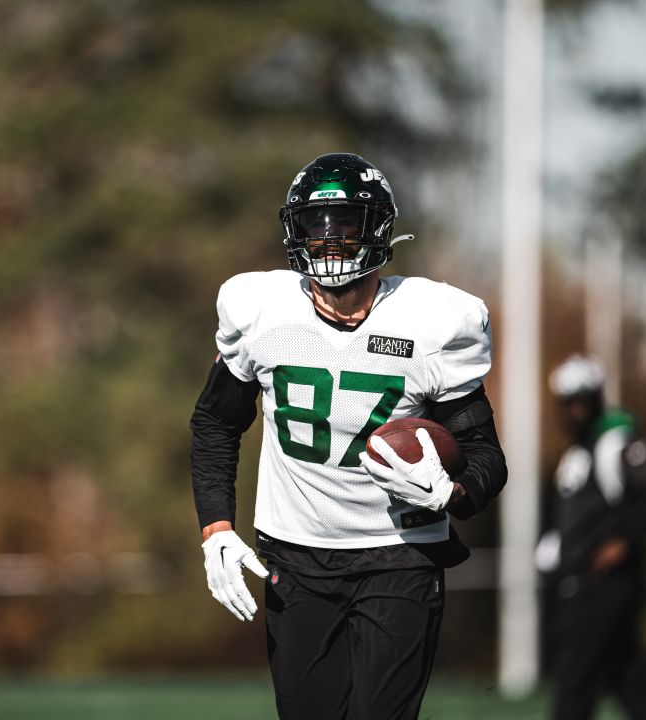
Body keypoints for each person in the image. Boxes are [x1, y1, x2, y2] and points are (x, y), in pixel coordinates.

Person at [189, 152, 508, 719]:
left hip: (399, 555)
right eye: (317, 225)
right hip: (296, 552)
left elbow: (487, 457)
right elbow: (216, 422)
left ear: (380, 228)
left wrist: (450, 495)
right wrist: (216, 527)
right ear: (295, 232)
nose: (331, 242)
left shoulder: (433, 322)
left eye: (347, 224)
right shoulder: (259, 311)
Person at [538, 355, 646, 720]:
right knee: (625, 676)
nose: (576, 411)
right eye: (568, 403)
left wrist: (623, 542)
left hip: (604, 582)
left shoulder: (617, 441)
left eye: (583, 401)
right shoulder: (578, 451)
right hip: (578, 578)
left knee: (576, 678)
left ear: (597, 399)